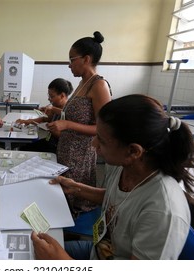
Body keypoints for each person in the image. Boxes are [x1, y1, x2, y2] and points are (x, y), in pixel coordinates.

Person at [32, 94, 194, 260]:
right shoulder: (128, 167)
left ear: (133, 151)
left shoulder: (162, 212)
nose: (93, 144)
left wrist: (62, 262)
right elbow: (117, 198)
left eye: (102, 141)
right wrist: (76, 188)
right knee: (30, 252)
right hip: (99, 251)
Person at [46, 31, 112, 235]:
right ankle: (63, 230)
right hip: (67, 150)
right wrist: (57, 114)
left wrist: (67, 125)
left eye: (71, 60)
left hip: (80, 155)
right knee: (64, 194)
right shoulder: (82, 83)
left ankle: (73, 239)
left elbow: (104, 128)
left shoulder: (98, 85)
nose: (69, 65)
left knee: (76, 197)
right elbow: (76, 114)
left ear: (86, 59)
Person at [15, 78, 73, 153]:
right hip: (49, 141)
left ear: (62, 96)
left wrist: (51, 129)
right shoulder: (55, 107)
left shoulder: (70, 112)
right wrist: (26, 121)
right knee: (23, 148)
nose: (49, 99)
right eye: (49, 96)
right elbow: (44, 119)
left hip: (58, 148)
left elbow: (67, 138)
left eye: (52, 96)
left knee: (25, 150)